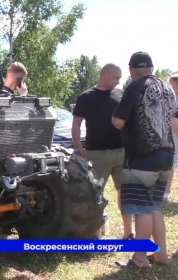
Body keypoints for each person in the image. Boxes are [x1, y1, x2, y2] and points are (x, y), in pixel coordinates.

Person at [112, 51, 173, 268]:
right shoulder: (167, 88)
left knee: (142, 209)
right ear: (152, 67)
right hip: (166, 157)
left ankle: (139, 258)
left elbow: (119, 121)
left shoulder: (136, 87)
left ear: (131, 70)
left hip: (142, 158)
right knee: (154, 206)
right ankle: (161, 256)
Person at [71, 63, 132, 239]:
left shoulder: (121, 94)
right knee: (95, 196)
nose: (119, 81)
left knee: (126, 194)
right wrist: (78, 148)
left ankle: (128, 233)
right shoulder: (86, 97)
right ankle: (95, 235)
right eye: (116, 77)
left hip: (121, 152)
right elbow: (76, 124)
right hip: (97, 153)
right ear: (104, 75)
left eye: (120, 78)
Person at [164, 70, 178, 201]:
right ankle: (166, 192)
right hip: (168, 136)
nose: (176, 82)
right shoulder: (166, 96)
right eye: (174, 79)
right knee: (169, 165)